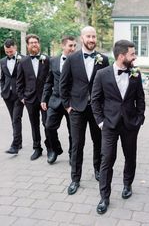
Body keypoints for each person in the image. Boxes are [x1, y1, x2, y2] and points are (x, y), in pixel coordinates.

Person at [91, 40, 145, 214]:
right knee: (107, 160)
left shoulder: (135, 74)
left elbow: (141, 99)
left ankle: (127, 184)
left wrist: (139, 118)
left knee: (130, 157)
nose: (134, 57)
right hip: (109, 125)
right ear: (122, 56)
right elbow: (95, 100)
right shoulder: (102, 74)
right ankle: (104, 197)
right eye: (132, 54)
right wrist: (100, 122)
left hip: (130, 124)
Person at [60, 26, 109, 195]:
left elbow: (108, 85)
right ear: (82, 38)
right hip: (77, 109)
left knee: (99, 142)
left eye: (94, 36)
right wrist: (67, 105)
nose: (91, 39)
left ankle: (98, 171)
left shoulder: (103, 59)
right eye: (88, 36)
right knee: (77, 144)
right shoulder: (71, 59)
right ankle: (75, 178)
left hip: (97, 110)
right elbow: (63, 84)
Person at [41, 36, 77, 164]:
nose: (73, 48)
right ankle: (55, 149)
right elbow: (48, 81)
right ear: (63, 46)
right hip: (55, 100)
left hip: (72, 102)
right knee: (49, 126)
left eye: (74, 46)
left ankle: (72, 154)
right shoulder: (53, 60)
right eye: (70, 46)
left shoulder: (78, 61)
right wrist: (44, 98)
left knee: (73, 131)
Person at [16, 34, 50, 160]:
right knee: (34, 125)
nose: (34, 44)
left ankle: (50, 148)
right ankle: (37, 148)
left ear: (39, 44)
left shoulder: (47, 59)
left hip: (45, 99)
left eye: (36, 42)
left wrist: (48, 96)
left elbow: (50, 79)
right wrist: (22, 98)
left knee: (47, 124)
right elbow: (19, 82)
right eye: (31, 42)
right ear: (27, 45)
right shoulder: (23, 61)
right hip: (29, 99)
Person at [0, 39, 24, 154]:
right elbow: (2, 78)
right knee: (13, 120)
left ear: (15, 48)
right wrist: (2, 90)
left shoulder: (23, 59)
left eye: (10, 51)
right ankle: (19, 142)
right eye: (6, 52)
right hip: (7, 95)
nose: (9, 54)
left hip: (19, 95)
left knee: (16, 119)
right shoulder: (2, 61)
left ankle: (15, 146)